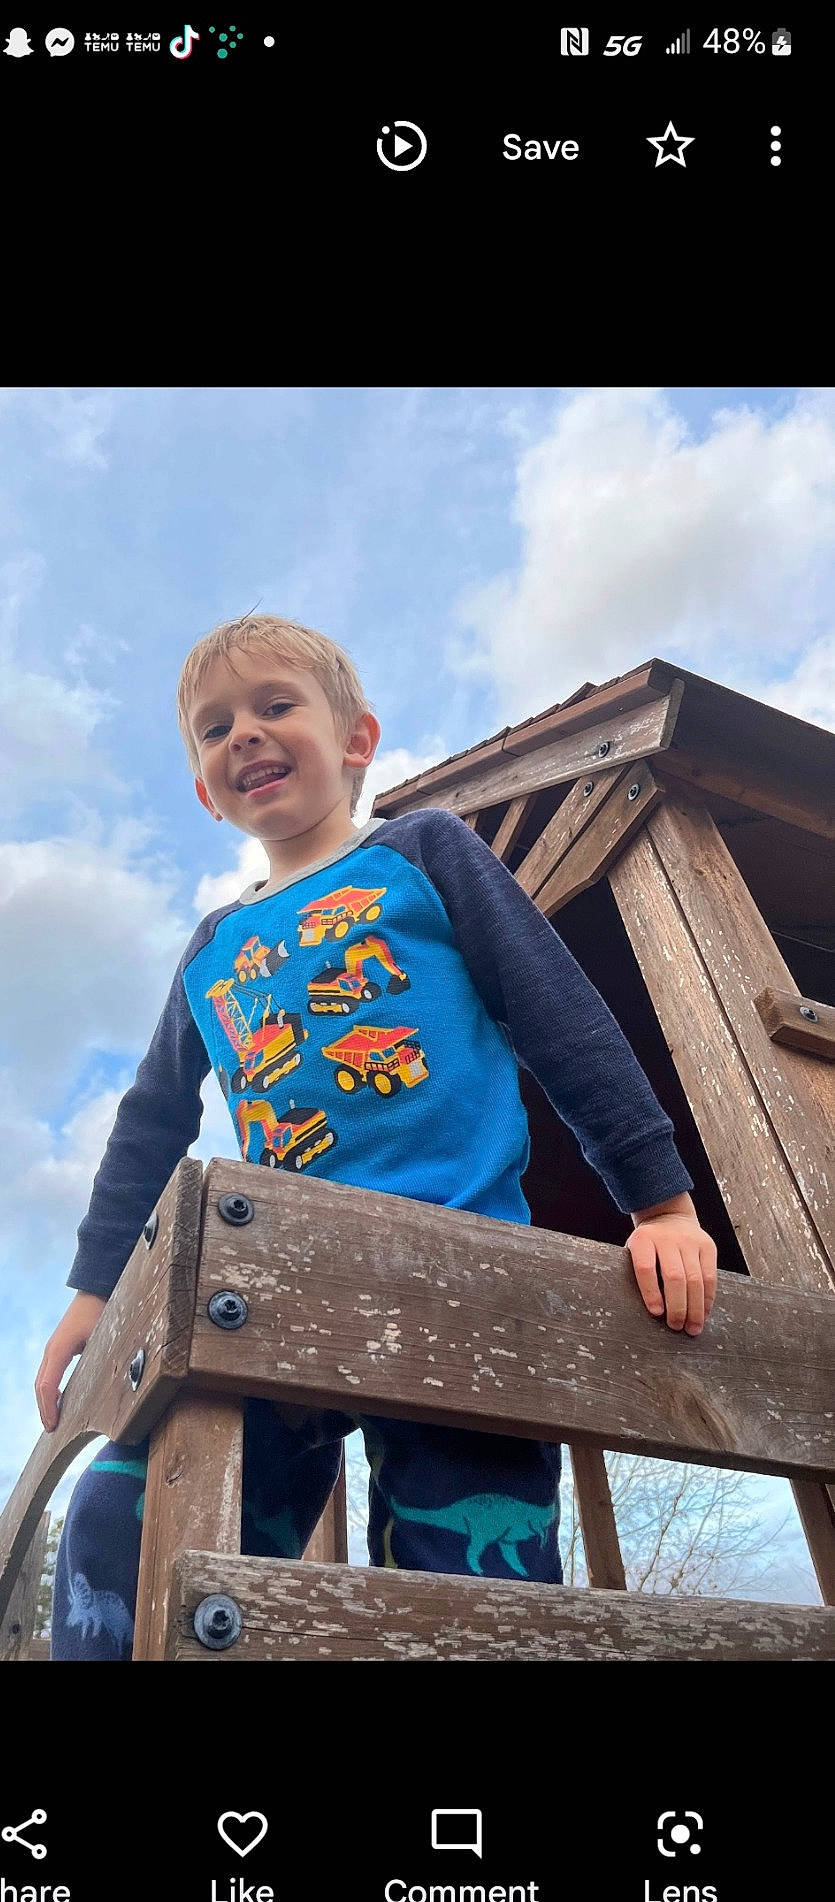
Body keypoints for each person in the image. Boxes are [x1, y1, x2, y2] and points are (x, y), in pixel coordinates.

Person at [38, 612, 718, 1658]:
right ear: (201, 790)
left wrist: (658, 1200)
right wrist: (92, 1292)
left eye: (274, 706)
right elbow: (150, 1123)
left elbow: (556, 1011)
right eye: (215, 728)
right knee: (117, 1507)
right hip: (275, 1282)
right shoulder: (211, 952)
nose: (244, 736)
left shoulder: (423, 851)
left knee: (462, 1590)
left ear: (356, 739)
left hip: (458, 1278)